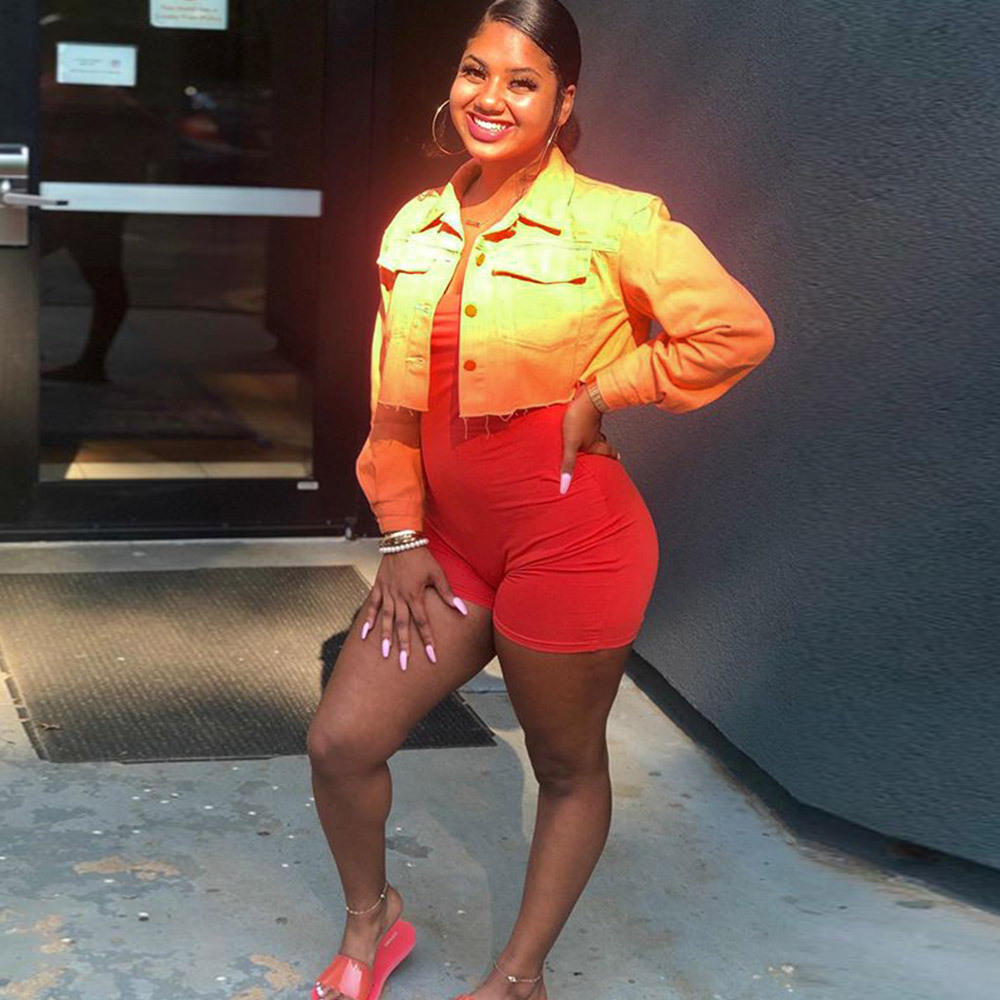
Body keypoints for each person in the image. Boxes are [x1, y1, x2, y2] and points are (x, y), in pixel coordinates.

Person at [306, 2, 775, 998]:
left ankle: (519, 976)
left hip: (575, 542)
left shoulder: (617, 221)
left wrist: (607, 389)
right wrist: (400, 534)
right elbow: (391, 409)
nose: (491, 97)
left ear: (562, 104)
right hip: (447, 544)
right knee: (341, 741)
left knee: (565, 766)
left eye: (523, 82)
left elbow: (733, 331)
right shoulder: (416, 225)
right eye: (475, 71)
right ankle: (372, 917)